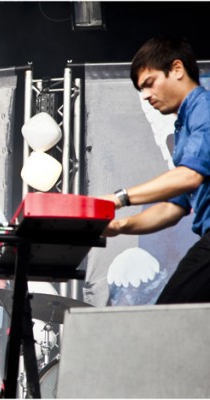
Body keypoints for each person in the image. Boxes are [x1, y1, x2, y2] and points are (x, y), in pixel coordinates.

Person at [101, 36, 210, 304]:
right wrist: (120, 225)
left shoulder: (205, 109)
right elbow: (171, 209)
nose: (147, 95)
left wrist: (119, 198)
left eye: (149, 84)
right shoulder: (184, 130)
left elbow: (189, 176)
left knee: (167, 319)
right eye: (141, 90)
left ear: (176, 69)